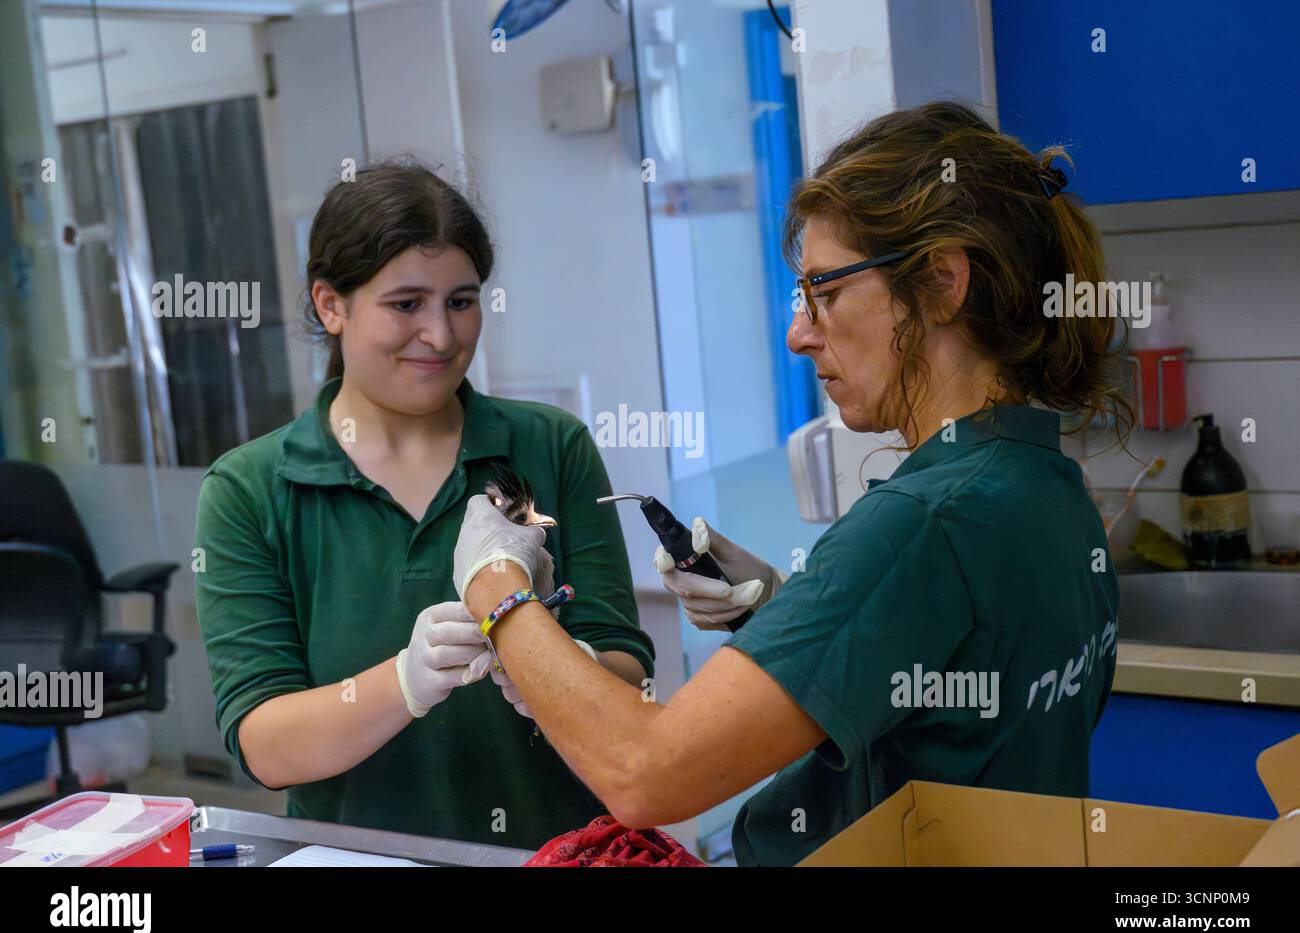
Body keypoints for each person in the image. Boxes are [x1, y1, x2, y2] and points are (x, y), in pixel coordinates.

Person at [452, 102, 1128, 866]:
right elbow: (956, 720)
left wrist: (495, 591)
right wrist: (785, 621)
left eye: (826, 292)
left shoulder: (924, 519)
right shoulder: (1050, 488)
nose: (799, 333)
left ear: (941, 284)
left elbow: (644, 773)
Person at [194, 162, 653, 849]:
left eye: (461, 301)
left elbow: (627, 669)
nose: (441, 335)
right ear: (331, 305)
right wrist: (405, 682)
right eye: (406, 304)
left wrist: (563, 671)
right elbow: (265, 744)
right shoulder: (249, 491)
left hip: (558, 854)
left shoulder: (549, 446)